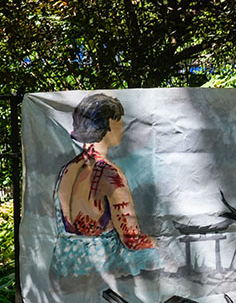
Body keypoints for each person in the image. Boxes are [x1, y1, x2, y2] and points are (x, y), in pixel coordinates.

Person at [51, 93, 158, 278]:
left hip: (64, 266)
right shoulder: (109, 174)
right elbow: (131, 240)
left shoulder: (68, 170)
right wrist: (161, 244)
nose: (123, 126)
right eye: (118, 120)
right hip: (103, 270)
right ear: (107, 125)